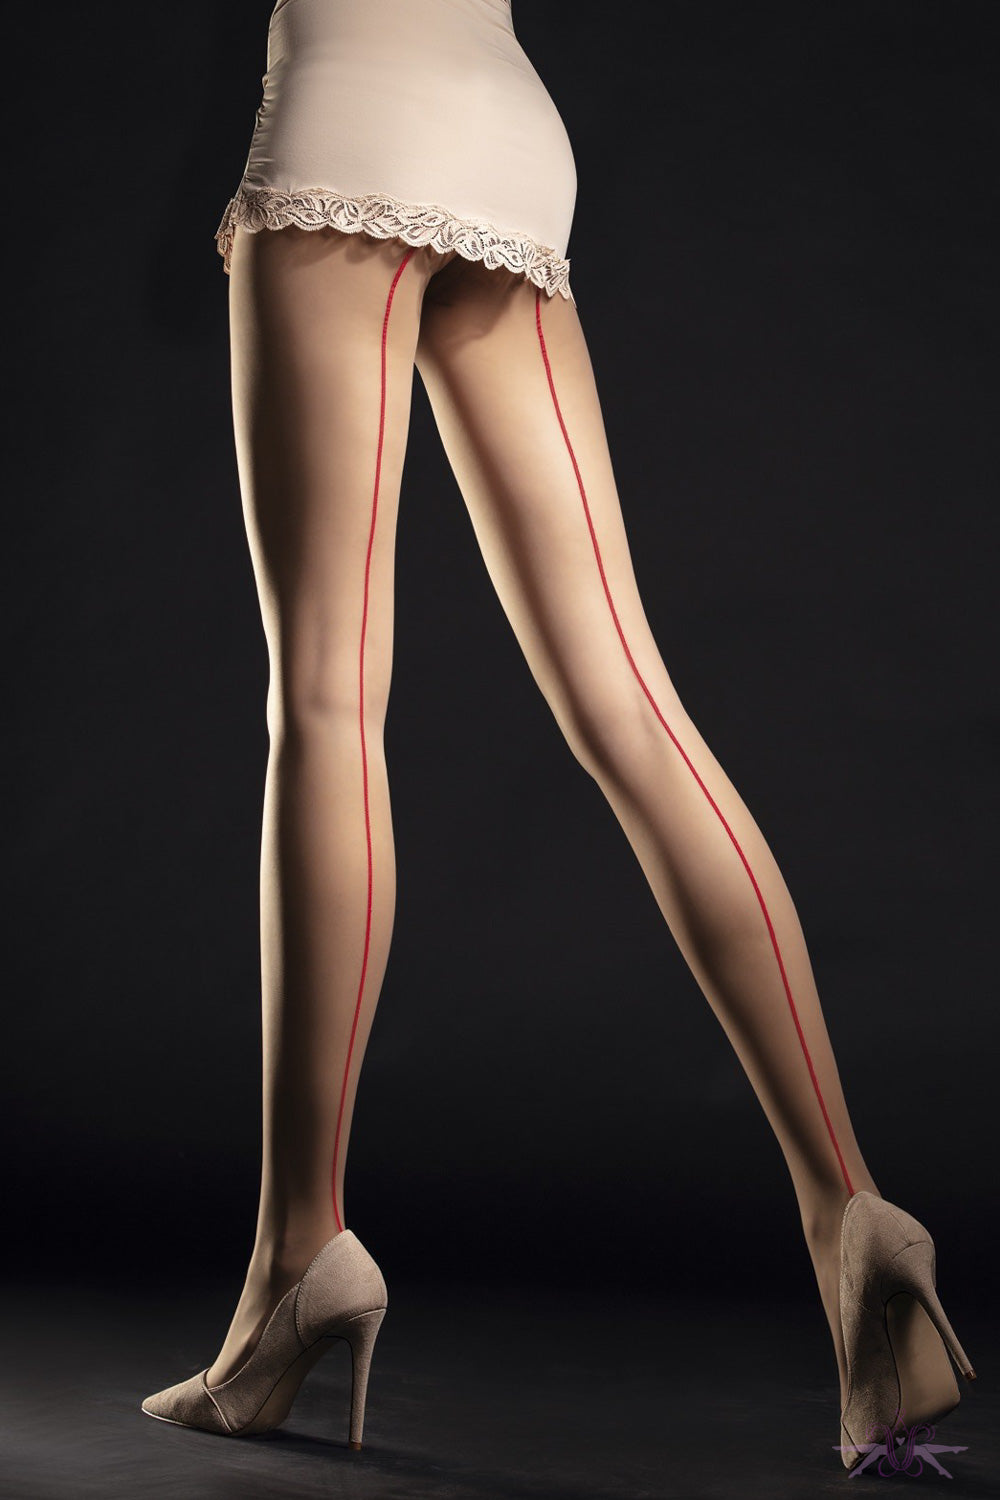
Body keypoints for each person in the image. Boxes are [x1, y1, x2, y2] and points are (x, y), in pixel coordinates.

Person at [139, 0, 975, 1468]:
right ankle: (852, 1210)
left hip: (353, 109)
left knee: (326, 700)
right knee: (631, 704)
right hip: (511, 132)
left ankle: (297, 1256)